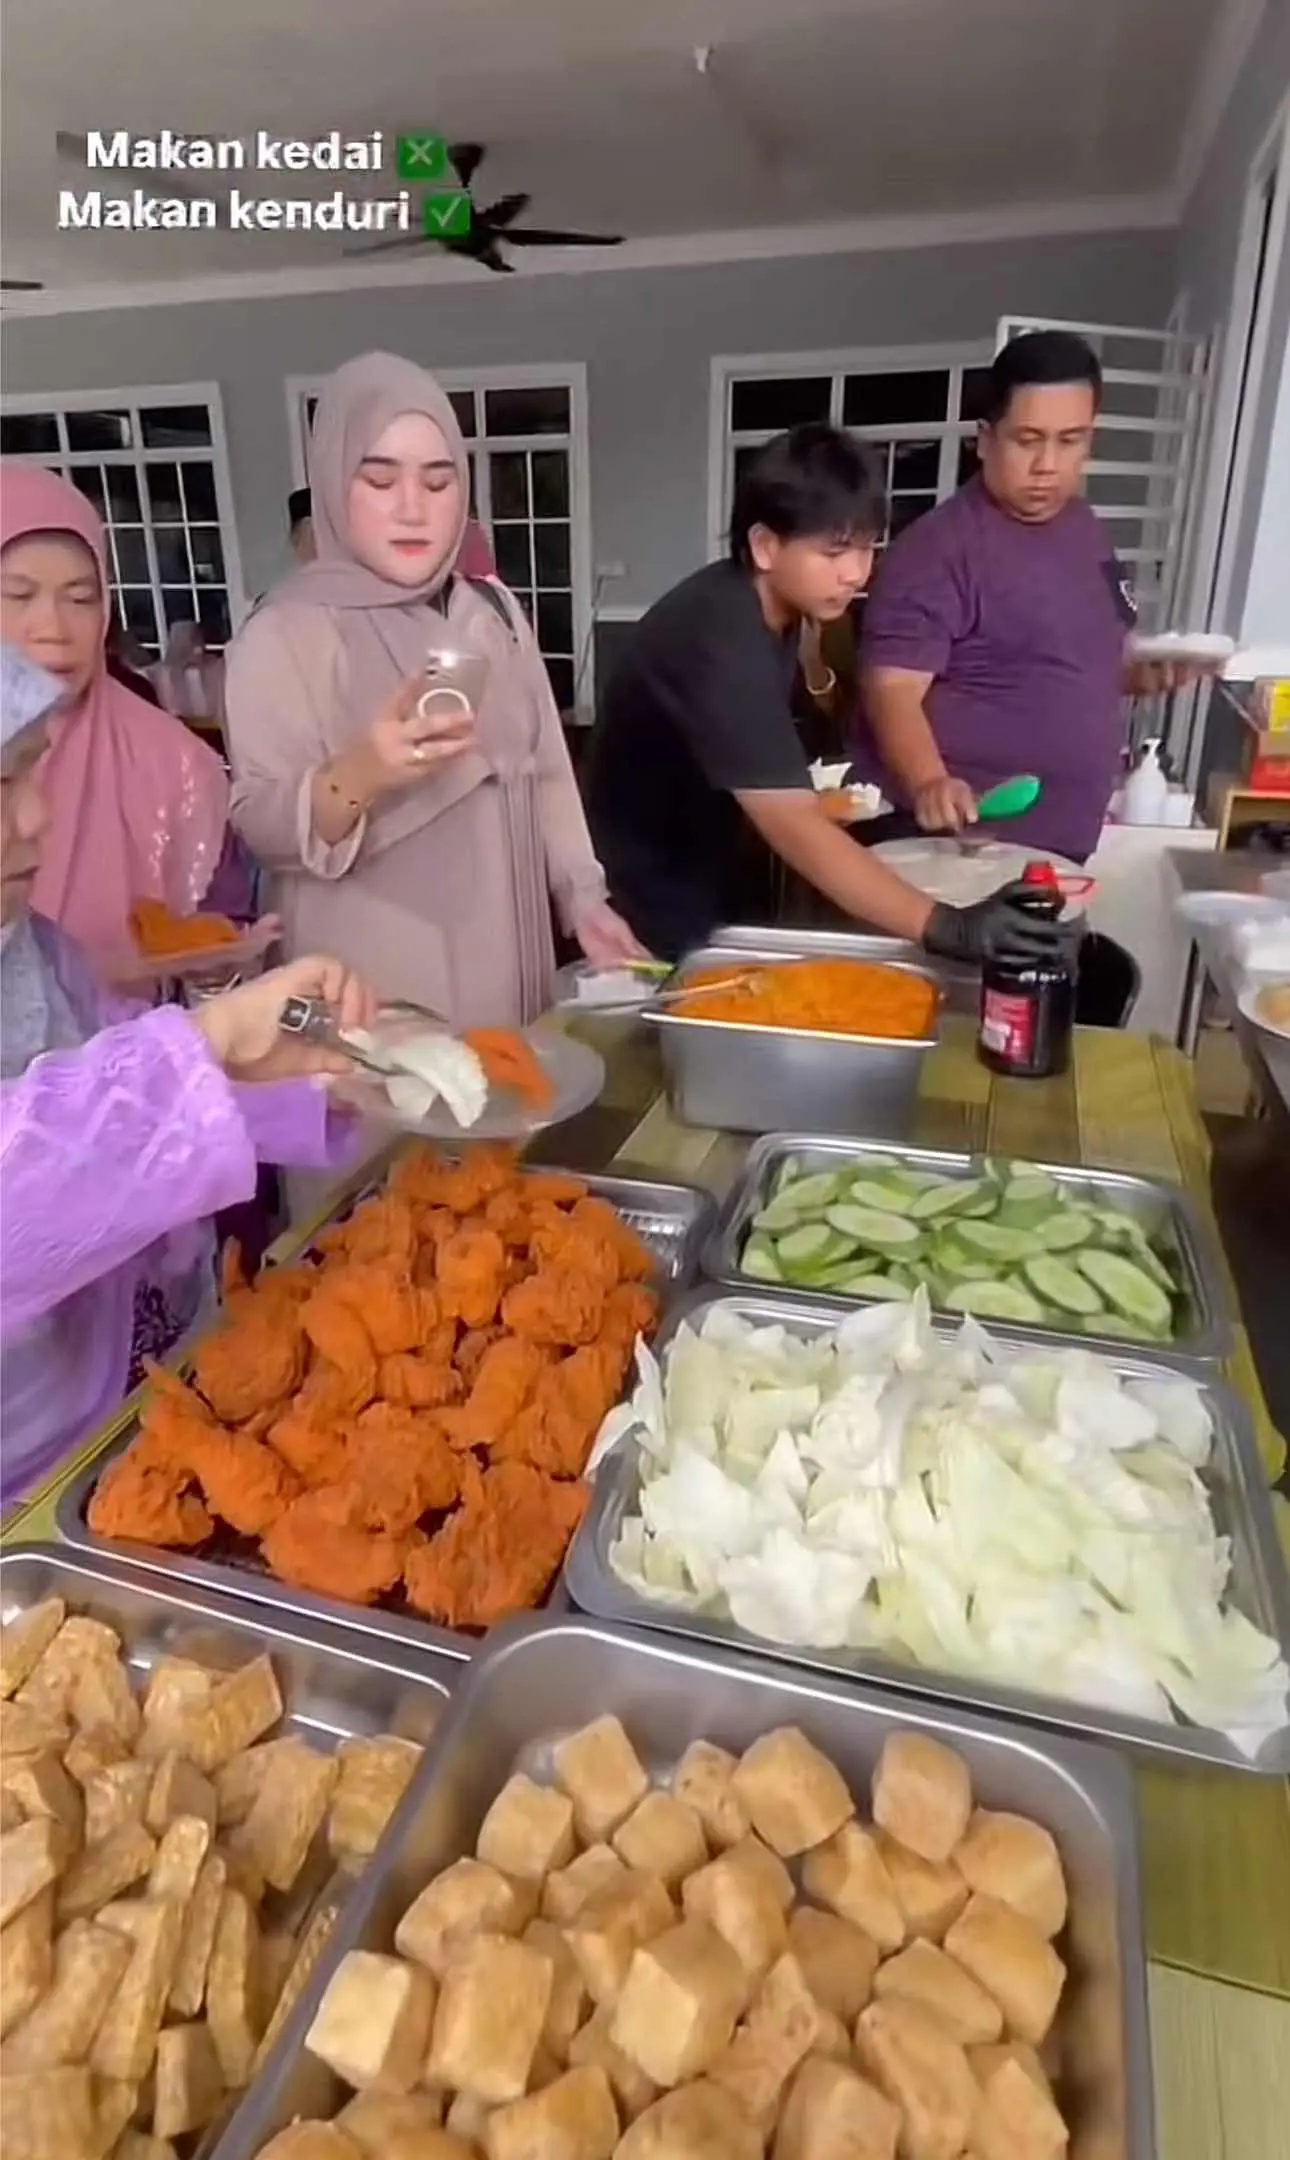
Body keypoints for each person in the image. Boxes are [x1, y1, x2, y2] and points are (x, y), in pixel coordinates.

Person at [0, 644, 369, 1505]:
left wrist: (322, 1067)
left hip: (131, 1409)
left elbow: (112, 1078)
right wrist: (207, 1045)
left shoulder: (32, 946)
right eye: (1, 783)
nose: (38, 817)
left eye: (33, 770)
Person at [223, 350, 640, 1023]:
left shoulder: (492, 610)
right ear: (332, 483)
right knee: (402, 1090)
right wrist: (363, 770)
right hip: (370, 980)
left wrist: (582, 898)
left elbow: (546, 771)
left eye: (439, 482)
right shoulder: (284, 630)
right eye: (380, 480)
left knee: (506, 1082)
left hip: (506, 959)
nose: (413, 508)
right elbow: (261, 825)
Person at [585, 423, 1059, 967]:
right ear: (765, 546)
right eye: (834, 552)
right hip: (641, 885)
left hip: (702, 858)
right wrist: (948, 925)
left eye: (866, 548)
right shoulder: (718, 636)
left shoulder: (775, 610)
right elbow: (793, 823)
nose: (856, 573)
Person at [854, 330, 1221, 862]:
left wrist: (1146, 676)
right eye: (1028, 440)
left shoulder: (1087, 530)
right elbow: (890, 689)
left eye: (1070, 440)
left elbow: (1090, 660)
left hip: (1060, 851)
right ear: (985, 439)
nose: (1048, 464)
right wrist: (929, 781)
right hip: (960, 853)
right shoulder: (936, 550)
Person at [0, 462, 230, 974]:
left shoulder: (178, 764)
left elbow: (220, 927)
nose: (54, 627)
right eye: (18, 595)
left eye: (81, 598)